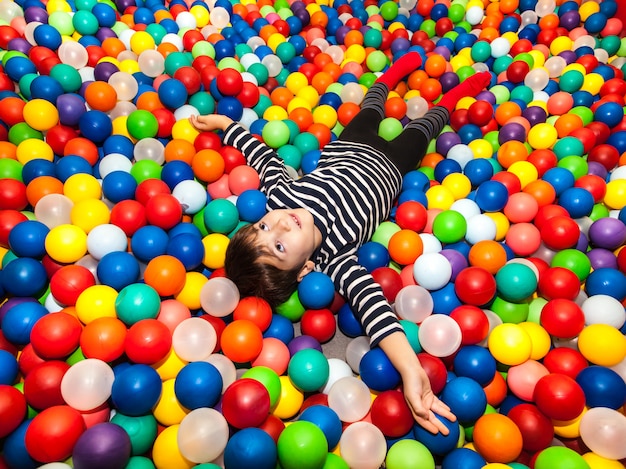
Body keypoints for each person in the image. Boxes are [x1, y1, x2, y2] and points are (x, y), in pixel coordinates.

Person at [190, 51, 491, 435]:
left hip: (348, 147)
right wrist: (412, 369)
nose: (279, 226)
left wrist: (224, 123)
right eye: (279, 247)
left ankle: (397, 67)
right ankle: (465, 90)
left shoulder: (281, 196)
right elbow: (374, 310)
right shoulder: (336, 257)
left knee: (371, 105)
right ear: (305, 269)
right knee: (427, 125)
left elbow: (261, 154)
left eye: (264, 227)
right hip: (394, 165)